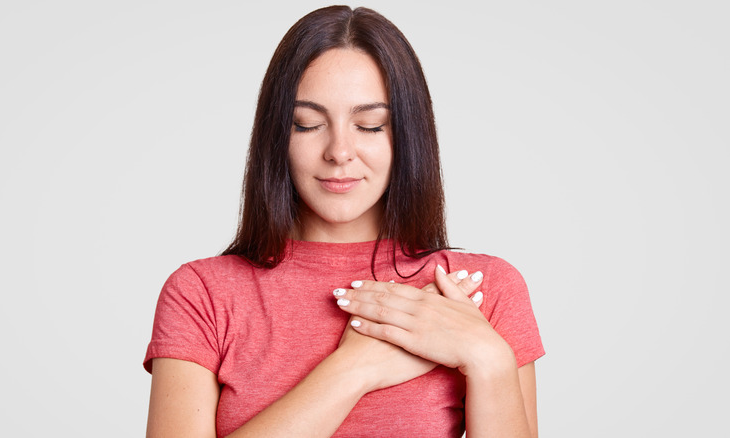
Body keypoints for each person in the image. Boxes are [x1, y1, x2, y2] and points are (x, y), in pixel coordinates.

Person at [144, 5, 544, 437]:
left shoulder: (481, 290)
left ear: (407, 135)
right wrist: (354, 368)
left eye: (370, 126)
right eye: (308, 124)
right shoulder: (203, 293)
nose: (339, 151)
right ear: (277, 134)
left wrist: (488, 357)